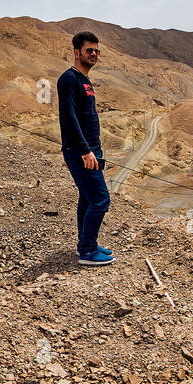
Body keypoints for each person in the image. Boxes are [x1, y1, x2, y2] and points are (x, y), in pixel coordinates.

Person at [57, 30, 113, 267]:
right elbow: (68, 118)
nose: (93, 54)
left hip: (91, 150)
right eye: (89, 50)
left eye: (96, 50)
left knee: (88, 199)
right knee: (101, 200)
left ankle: (86, 243)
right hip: (82, 152)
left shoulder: (84, 79)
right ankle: (88, 251)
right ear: (76, 52)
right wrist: (84, 150)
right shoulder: (69, 79)